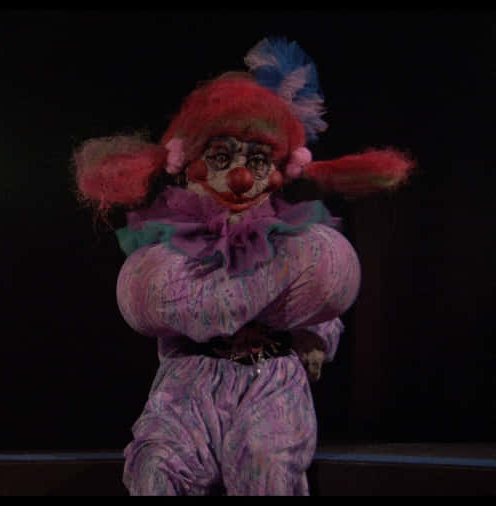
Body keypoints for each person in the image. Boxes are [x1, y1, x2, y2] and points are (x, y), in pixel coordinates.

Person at [71, 37, 414, 495]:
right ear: (189, 165)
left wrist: (316, 336)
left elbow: (320, 294)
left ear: (279, 169)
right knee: (157, 466)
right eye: (220, 157)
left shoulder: (294, 239)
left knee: (264, 465)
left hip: (269, 379)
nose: (240, 177)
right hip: (190, 381)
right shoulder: (173, 242)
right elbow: (156, 301)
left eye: (257, 160)